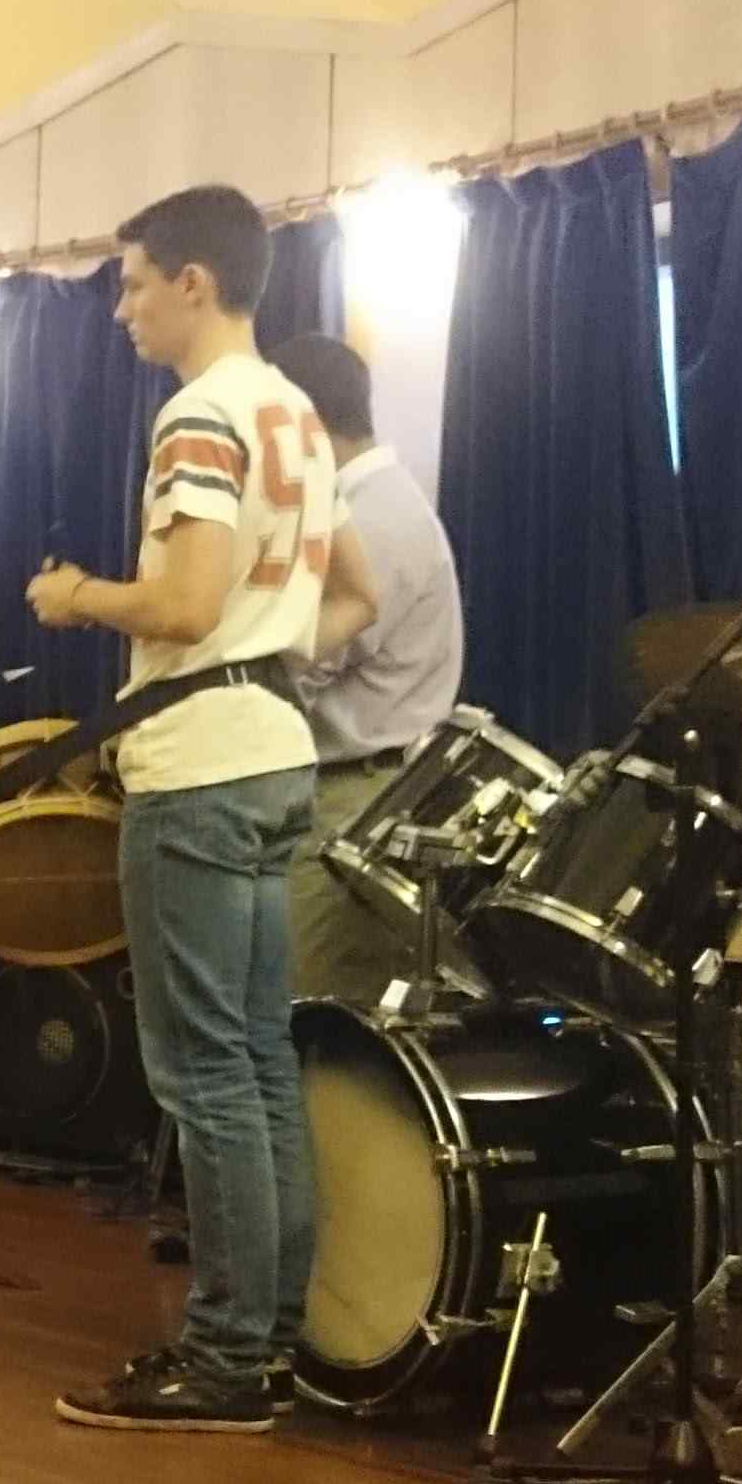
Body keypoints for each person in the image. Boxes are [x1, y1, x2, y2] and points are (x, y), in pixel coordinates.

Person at [28, 182, 377, 1433]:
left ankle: (225, 1361)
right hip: (274, 749)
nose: (120, 309)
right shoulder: (297, 412)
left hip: (200, 767)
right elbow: (357, 598)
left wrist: (77, 595)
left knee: (203, 1074)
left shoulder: (199, 415)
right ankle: (268, 1344)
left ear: (193, 281)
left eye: (131, 284)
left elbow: (179, 606)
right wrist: (264, 642)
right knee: (258, 1060)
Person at [263, 331, 464, 1010]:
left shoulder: (373, 519)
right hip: (351, 791)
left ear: (306, 423)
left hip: (350, 799)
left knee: (306, 1016)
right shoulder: (373, 504)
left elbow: (294, 672)